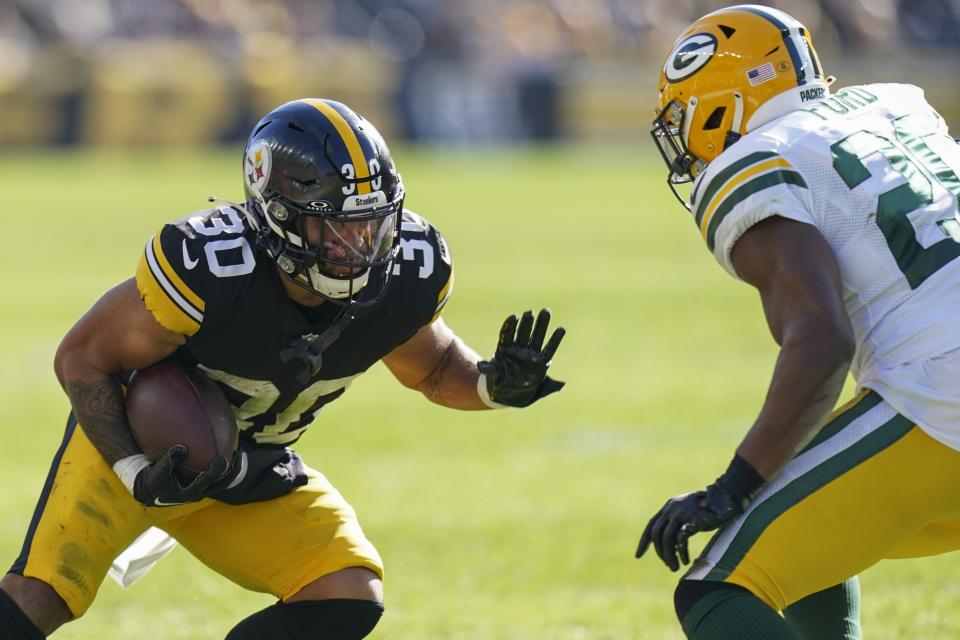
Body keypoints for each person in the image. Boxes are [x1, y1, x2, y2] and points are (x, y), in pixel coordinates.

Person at [0, 98, 566, 639]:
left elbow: (436, 367)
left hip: (252, 468)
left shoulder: (405, 273)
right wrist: (131, 470)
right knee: (42, 597)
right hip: (144, 448)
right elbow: (82, 358)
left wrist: (493, 386)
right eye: (337, 229)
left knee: (343, 591)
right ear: (275, 216)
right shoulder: (210, 267)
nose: (359, 248)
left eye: (370, 225)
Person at [635, 4, 960, 639]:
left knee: (718, 588)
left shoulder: (756, 159)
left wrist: (732, 484)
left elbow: (821, 340)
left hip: (941, 391)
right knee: (804, 543)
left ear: (720, 103)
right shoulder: (900, 106)